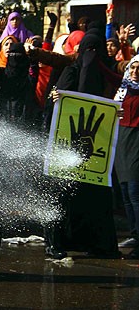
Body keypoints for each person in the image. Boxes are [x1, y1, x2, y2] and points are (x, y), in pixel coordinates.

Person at [47, 27, 123, 259]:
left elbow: (118, 99)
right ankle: (55, 243)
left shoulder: (107, 75)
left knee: (96, 199)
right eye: (87, 50)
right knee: (63, 195)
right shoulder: (70, 71)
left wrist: (115, 113)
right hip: (67, 146)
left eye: (95, 51)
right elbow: (55, 108)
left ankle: (99, 244)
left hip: (97, 150)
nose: (91, 56)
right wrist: (57, 98)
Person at [113, 55, 139, 259]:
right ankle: (134, 234)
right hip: (122, 139)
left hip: (137, 140)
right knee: (124, 191)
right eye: (133, 67)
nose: (135, 72)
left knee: (134, 191)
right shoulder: (123, 90)